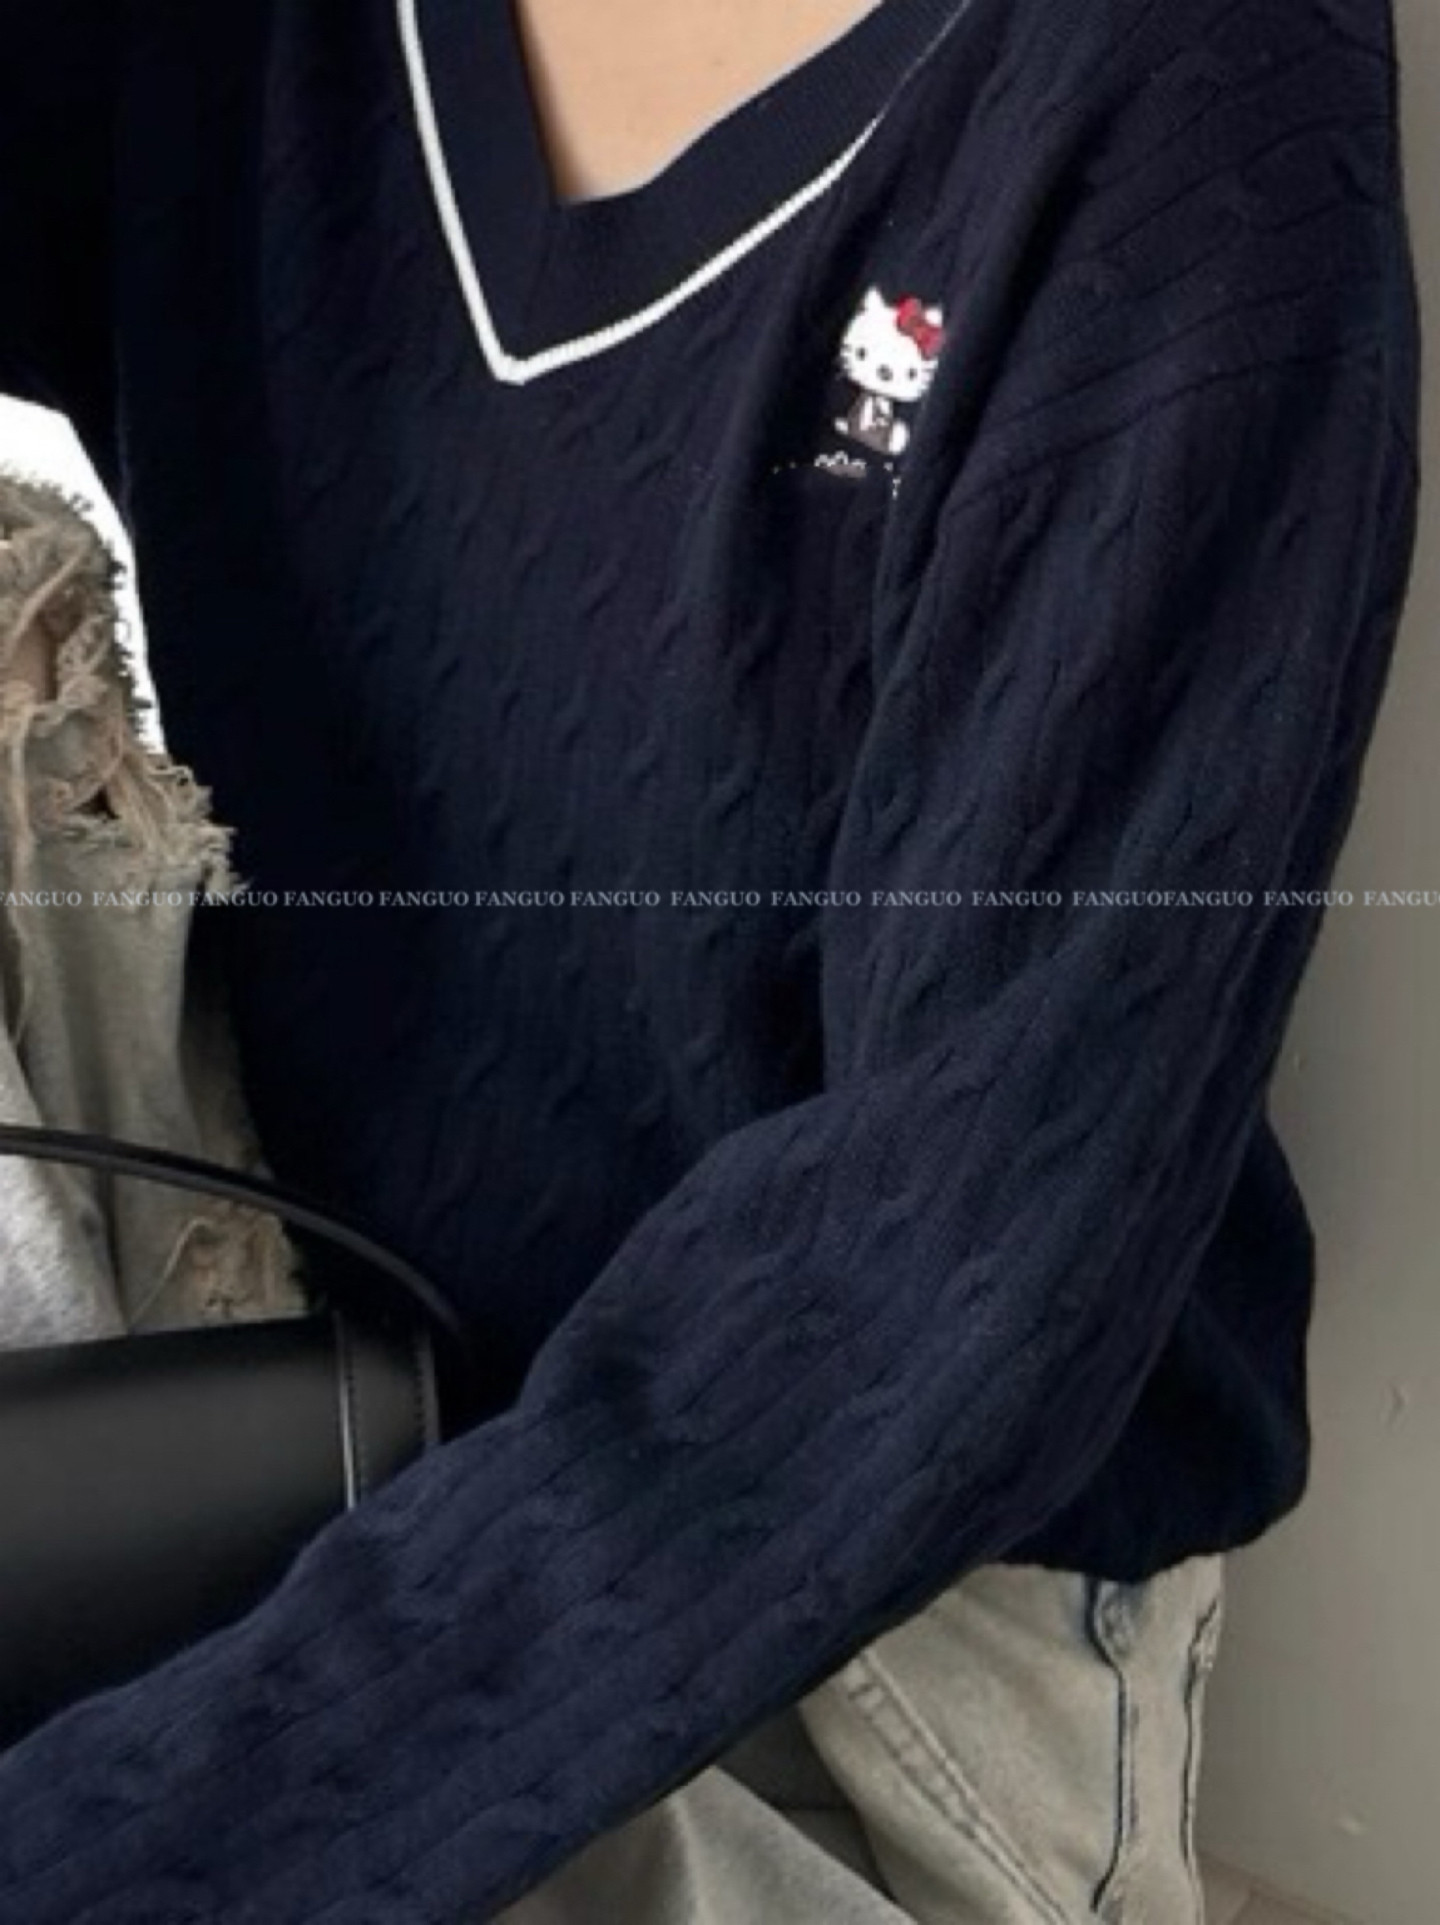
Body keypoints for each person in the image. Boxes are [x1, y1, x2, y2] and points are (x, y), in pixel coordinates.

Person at [0, 0, 1420, 1919]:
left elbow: (953, 1278)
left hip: (861, 1619)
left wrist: (129, 1842)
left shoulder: (1185, 95)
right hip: (281, 1306)